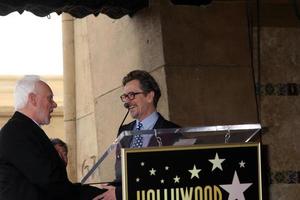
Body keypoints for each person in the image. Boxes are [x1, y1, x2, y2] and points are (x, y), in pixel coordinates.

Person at [0, 75, 104, 200]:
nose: (54, 104)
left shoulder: (25, 130)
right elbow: (50, 182)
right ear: (33, 99)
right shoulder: (17, 132)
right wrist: (101, 194)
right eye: (50, 98)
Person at [96, 70, 180, 200]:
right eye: (125, 97)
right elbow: (122, 176)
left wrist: (120, 194)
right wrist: (110, 187)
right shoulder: (124, 132)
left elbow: (168, 179)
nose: (127, 102)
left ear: (149, 96)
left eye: (131, 95)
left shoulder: (173, 132)